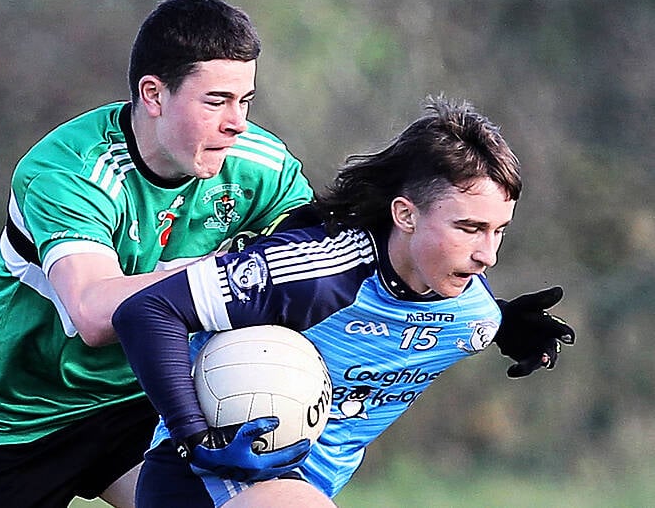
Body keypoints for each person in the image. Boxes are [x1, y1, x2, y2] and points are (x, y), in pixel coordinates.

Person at [0, 0, 316, 508]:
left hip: (146, 406)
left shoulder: (258, 166)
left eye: (245, 100)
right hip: (19, 417)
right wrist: (226, 276)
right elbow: (94, 313)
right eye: (216, 101)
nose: (237, 123)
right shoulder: (69, 170)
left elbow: (314, 263)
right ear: (153, 94)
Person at [112, 96, 576, 508]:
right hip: (205, 480)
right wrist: (197, 438)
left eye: (499, 231)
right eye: (469, 228)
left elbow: (461, 317)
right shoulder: (313, 272)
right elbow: (147, 311)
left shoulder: (471, 310)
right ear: (405, 214)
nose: (487, 254)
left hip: (301, 489)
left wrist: (505, 325)